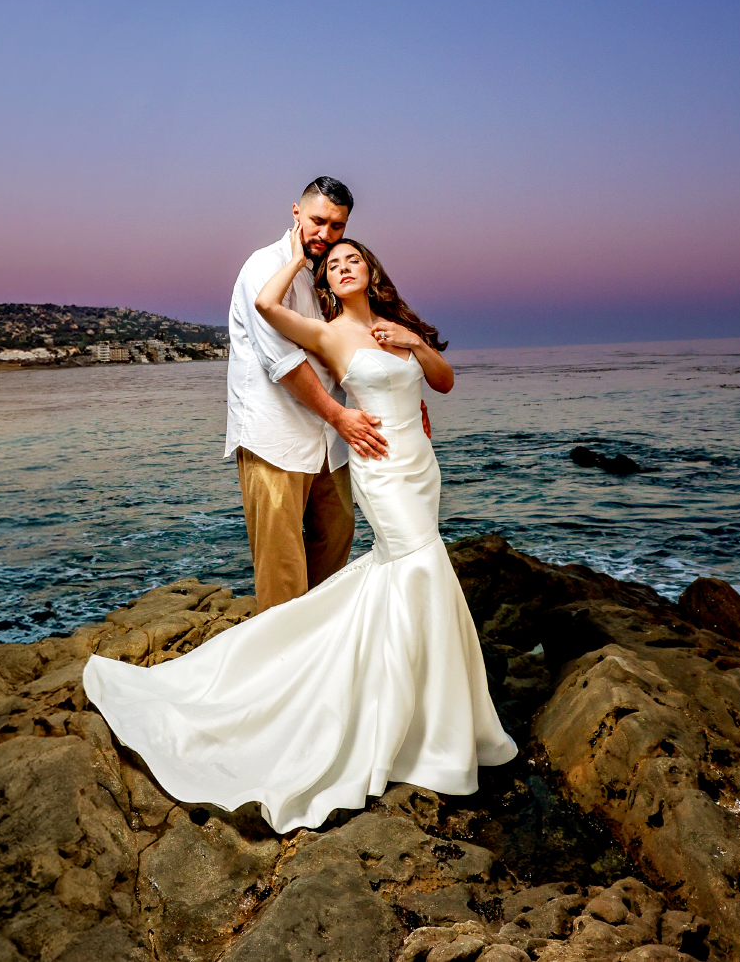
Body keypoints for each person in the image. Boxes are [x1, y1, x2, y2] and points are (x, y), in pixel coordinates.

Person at [82, 220, 517, 833]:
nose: (342, 265)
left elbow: (443, 381)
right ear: (327, 280)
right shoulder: (328, 332)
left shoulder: (398, 328)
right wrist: (295, 250)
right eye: (332, 261)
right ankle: (417, 724)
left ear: (371, 272)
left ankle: (431, 716)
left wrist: (412, 345)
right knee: (415, 563)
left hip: (421, 463)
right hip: (379, 464)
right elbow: (264, 305)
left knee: (414, 569)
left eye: (352, 258)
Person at [224, 175, 392, 612]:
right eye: (318, 220)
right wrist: (340, 415)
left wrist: (400, 394)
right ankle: (280, 667)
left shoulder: (328, 274)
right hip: (274, 438)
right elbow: (284, 364)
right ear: (296, 213)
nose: (326, 233)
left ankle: (317, 648)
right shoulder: (264, 267)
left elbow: (347, 351)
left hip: (329, 443)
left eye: (337, 225)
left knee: (336, 540)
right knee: (282, 566)